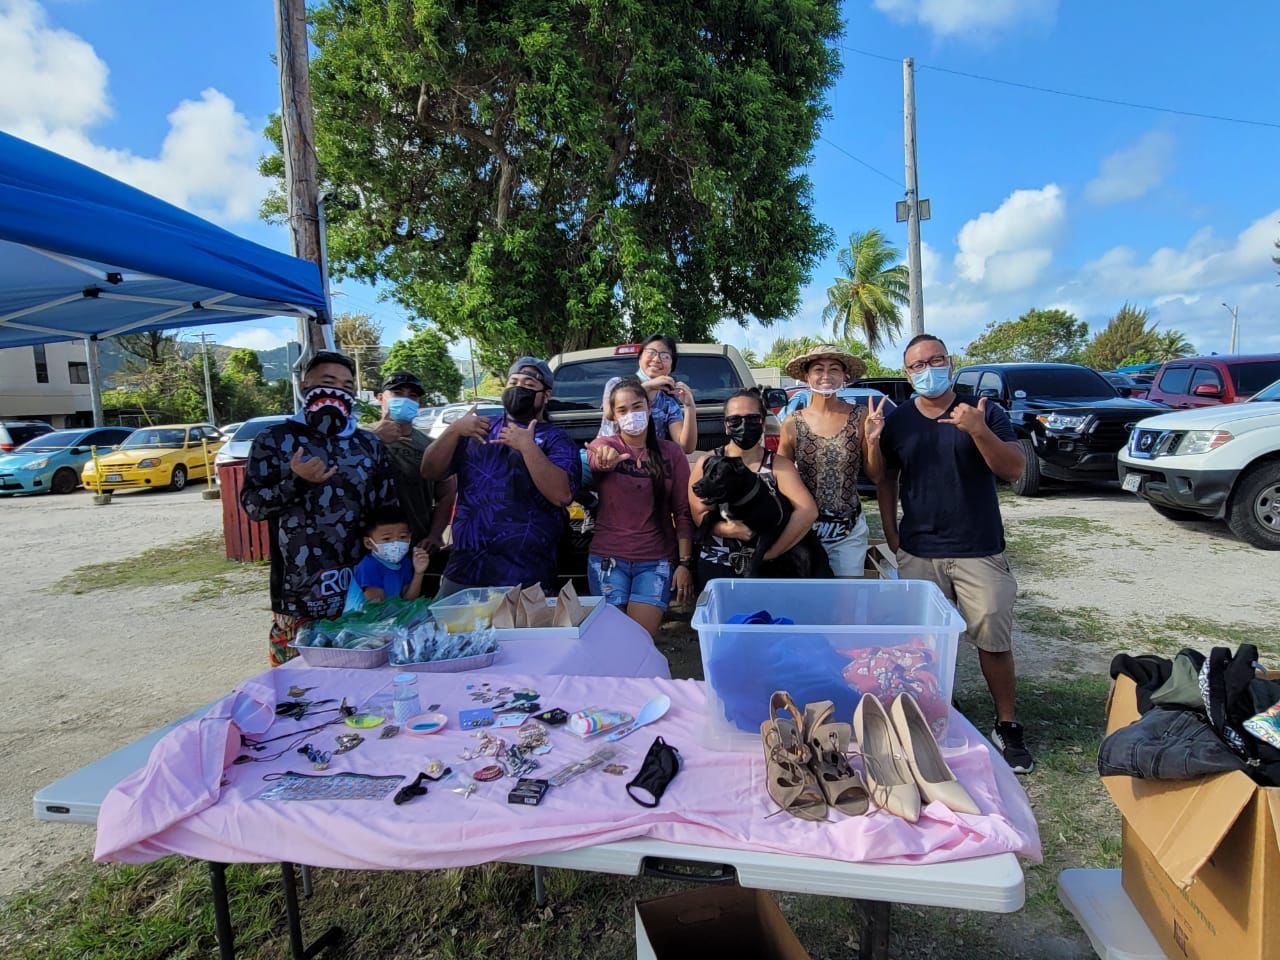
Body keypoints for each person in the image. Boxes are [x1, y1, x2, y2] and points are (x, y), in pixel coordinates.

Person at [866, 333, 1035, 774]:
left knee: (992, 639)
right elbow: (883, 477)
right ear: (907, 373)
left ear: (950, 362)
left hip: (978, 546)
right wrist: (890, 530)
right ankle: (934, 712)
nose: (927, 370)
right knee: (922, 645)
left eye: (935, 360)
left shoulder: (983, 410)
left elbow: (1014, 469)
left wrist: (978, 431)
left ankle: (1008, 723)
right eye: (917, 365)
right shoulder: (899, 420)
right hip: (919, 548)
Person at [241, 350, 398, 666]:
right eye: (328, 381)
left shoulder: (368, 444)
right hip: (300, 593)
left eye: (347, 385)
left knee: (366, 678)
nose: (338, 390)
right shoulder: (275, 440)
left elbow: (388, 509)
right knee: (300, 686)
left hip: (362, 587)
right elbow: (254, 506)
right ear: (304, 383)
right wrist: (296, 480)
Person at [421, 356, 579, 596]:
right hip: (466, 568)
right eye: (513, 382)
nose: (519, 388)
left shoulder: (556, 440)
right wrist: (453, 430)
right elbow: (429, 471)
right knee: (451, 632)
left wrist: (527, 447)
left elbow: (562, 495)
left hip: (526, 574)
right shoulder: (477, 429)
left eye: (528, 384)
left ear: (545, 395)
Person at [585, 377, 695, 634]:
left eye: (637, 407)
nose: (631, 414)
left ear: (648, 408)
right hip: (607, 560)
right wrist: (602, 460)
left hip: (655, 562)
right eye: (622, 410)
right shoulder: (605, 446)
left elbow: (682, 512)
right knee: (612, 641)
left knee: (640, 639)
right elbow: (593, 457)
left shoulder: (671, 453)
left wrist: (685, 563)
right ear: (613, 415)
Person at [688, 388, 818, 582]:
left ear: (763, 423)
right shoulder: (708, 462)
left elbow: (807, 512)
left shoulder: (779, 465)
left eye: (752, 419)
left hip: (768, 566)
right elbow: (699, 513)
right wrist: (731, 530)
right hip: (719, 562)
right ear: (726, 425)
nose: (743, 425)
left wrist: (771, 553)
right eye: (735, 420)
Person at [777, 344, 874, 577]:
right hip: (804, 530)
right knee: (807, 601)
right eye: (818, 369)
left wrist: (873, 440)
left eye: (834, 369)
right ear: (807, 376)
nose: (826, 376)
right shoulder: (792, 422)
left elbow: (877, 475)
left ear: (844, 376)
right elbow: (781, 475)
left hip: (847, 530)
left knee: (845, 602)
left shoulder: (860, 416)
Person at [365, 371, 456, 551]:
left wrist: (435, 535)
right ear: (381, 398)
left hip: (417, 545)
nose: (405, 399)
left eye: (412, 396)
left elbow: (447, 493)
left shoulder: (429, 446)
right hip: (369, 547)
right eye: (397, 393)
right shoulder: (359, 438)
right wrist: (374, 439)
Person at [600, 334, 697, 453]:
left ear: (671, 367)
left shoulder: (669, 403)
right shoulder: (616, 383)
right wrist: (647, 386)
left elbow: (686, 447)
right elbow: (609, 414)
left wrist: (689, 406)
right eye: (651, 352)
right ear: (640, 358)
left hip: (645, 466)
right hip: (606, 457)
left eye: (665, 356)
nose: (656, 359)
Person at [351, 509, 430, 602]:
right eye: (387, 538)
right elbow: (377, 608)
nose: (395, 543)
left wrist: (419, 573)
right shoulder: (369, 566)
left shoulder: (405, 562)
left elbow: (408, 600)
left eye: (403, 537)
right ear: (369, 543)